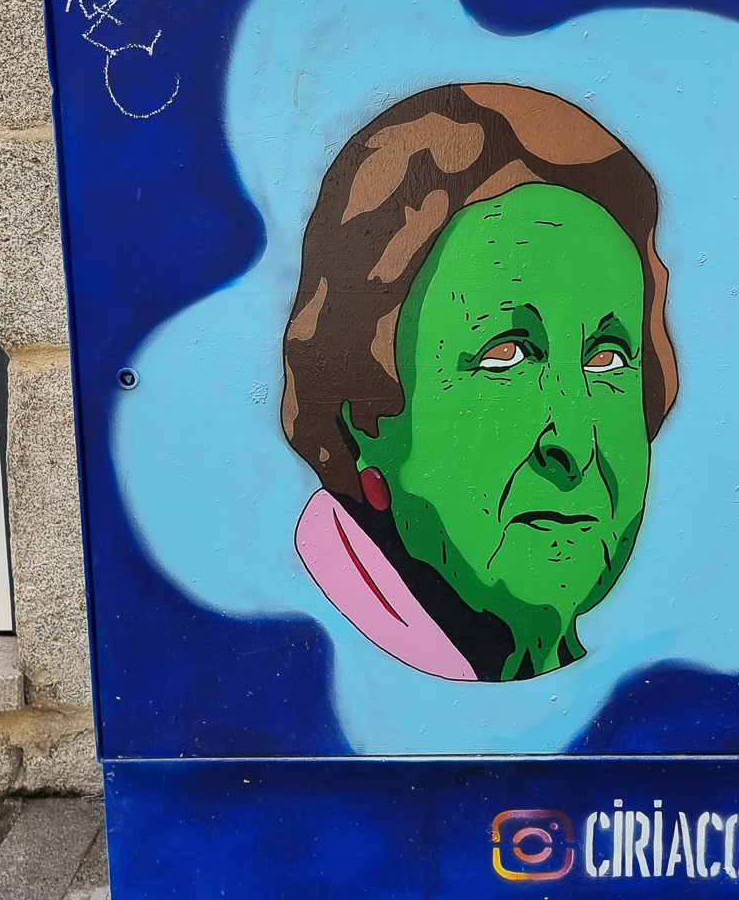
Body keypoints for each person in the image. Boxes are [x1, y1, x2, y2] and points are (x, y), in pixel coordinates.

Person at [281, 83, 677, 682]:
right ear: (367, 417)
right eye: (506, 355)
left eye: (607, 359)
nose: (573, 444)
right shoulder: (298, 665)